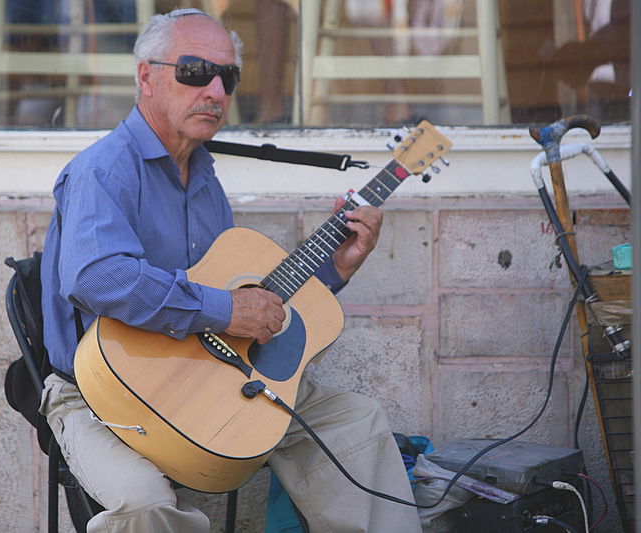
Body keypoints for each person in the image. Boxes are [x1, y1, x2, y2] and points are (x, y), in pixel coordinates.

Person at [39, 7, 422, 533]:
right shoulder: (102, 170)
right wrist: (222, 309)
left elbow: (243, 299)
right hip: (97, 393)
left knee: (355, 425)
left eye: (228, 77)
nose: (216, 90)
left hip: (206, 373)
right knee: (144, 504)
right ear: (146, 76)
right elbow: (98, 278)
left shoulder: (203, 177)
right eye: (196, 71)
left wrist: (334, 270)